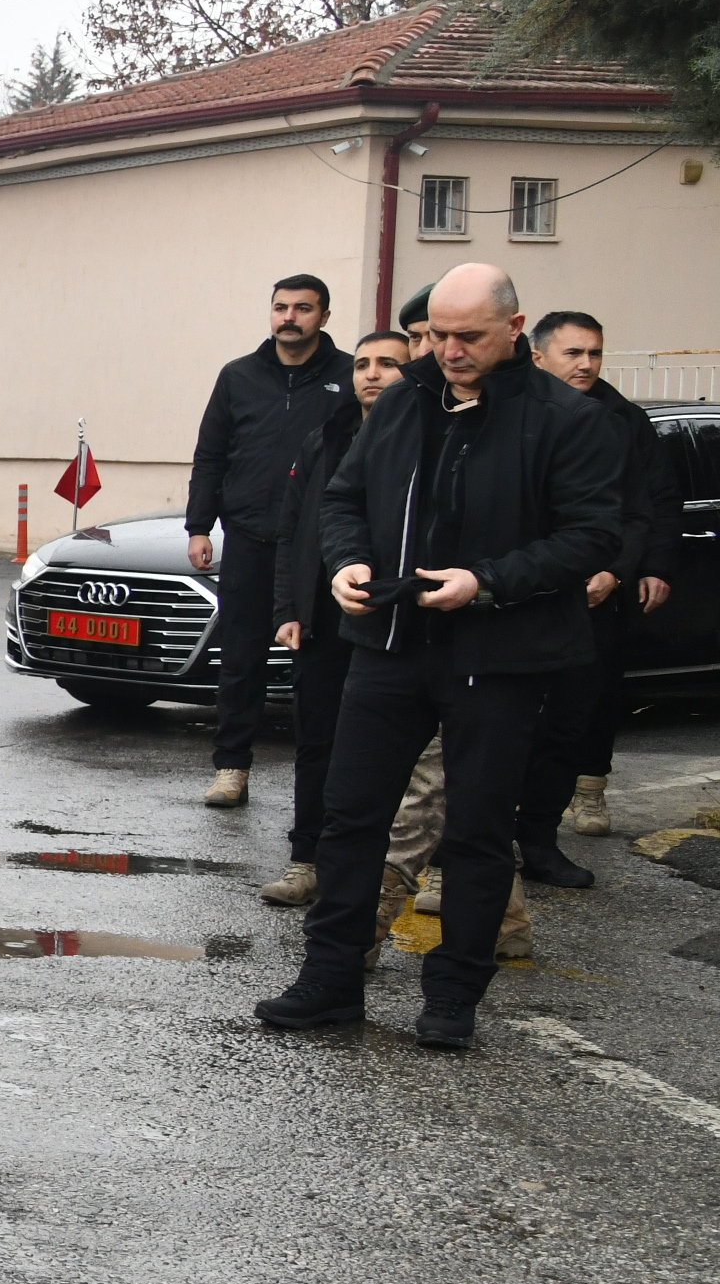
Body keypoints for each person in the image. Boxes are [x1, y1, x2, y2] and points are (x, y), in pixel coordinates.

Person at [258, 263, 625, 1050]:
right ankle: (329, 980)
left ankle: (453, 995)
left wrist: (485, 582)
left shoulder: (566, 418)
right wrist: (346, 563)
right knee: (349, 820)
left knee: (480, 832)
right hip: (389, 647)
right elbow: (342, 498)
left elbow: (591, 536)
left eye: (468, 336)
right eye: (436, 335)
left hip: (499, 656)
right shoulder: (403, 404)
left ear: (515, 328)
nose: (448, 351)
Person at [512, 309, 674, 881]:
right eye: (573, 353)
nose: (586, 364)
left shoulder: (620, 420)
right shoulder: (507, 409)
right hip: (516, 595)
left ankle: (538, 841)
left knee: (570, 722)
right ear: (537, 355)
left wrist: (617, 572)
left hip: (590, 600)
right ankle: (475, 844)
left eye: (595, 353)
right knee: (502, 726)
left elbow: (639, 509)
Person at [186, 274, 356, 811]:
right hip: (250, 538)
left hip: (319, 548)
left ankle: (329, 775)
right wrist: (199, 526)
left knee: (318, 664)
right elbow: (210, 454)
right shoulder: (238, 376)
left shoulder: (350, 376)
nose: (290, 317)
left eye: (303, 309)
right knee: (240, 660)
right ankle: (232, 767)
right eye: (281, 307)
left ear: (323, 317)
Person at [262, 327, 408, 909]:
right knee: (317, 742)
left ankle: (393, 871)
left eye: (389, 365)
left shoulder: (422, 435)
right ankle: (307, 860)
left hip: (391, 622)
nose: (372, 374)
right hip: (322, 618)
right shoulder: (324, 437)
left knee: (391, 756)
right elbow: (292, 529)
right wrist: (289, 608)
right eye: (364, 364)